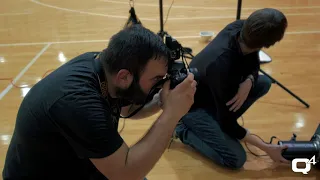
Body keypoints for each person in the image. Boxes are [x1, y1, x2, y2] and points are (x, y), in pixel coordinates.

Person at [2, 25, 197, 180]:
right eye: (155, 79)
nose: (160, 83)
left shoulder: (104, 66)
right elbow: (126, 173)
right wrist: (171, 114)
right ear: (124, 77)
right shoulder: (79, 103)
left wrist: (161, 101)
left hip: (75, 162)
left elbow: (127, 107)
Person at [174, 8, 289, 169]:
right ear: (269, 44)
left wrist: (249, 80)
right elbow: (226, 122)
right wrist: (267, 148)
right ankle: (183, 130)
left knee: (263, 83)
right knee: (236, 159)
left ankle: (214, 128)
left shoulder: (242, 28)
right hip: (193, 108)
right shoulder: (222, 66)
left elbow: (253, 62)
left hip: (216, 94)